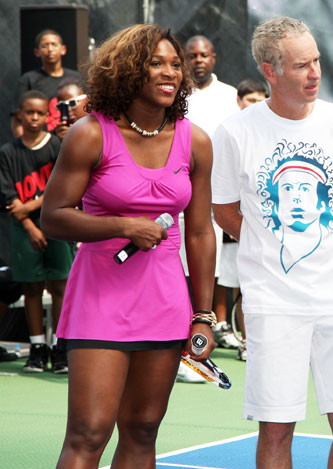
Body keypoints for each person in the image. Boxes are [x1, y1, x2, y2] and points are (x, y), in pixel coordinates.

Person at [39, 25, 216, 467]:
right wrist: (121, 224)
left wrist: (203, 316)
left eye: (175, 64)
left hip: (165, 302)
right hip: (100, 298)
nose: (170, 72)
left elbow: (198, 233)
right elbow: (54, 215)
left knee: (142, 431)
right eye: (156, 63)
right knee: (88, 433)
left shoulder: (195, 140)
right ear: (128, 70)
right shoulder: (90, 134)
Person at [211, 17, 333, 468]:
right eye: (302, 65)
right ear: (270, 71)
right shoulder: (235, 132)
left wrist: (320, 243)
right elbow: (223, 211)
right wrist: (272, 239)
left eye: (317, 60)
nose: (315, 73)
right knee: (277, 430)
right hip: (273, 304)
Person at [0, 90, 75, 374]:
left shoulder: (58, 147)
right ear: (19, 114)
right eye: (28, 112)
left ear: (48, 115)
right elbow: (8, 196)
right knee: (31, 289)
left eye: (39, 113)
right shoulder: (8, 152)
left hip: (58, 224)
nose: (34, 118)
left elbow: (62, 187)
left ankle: (59, 348)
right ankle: (36, 349)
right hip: (23, 231)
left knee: (59, 287)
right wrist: (30, 226)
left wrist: (30, 206)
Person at [179, 34, 241, 360]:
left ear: (213, 58)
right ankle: (180, 326)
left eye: (204, 55)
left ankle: (210, 324)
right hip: (178, 187)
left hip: (217, 187)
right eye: (193, 55)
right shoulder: (174, 93)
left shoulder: (230, 95)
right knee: (178, 259)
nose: (198, 60)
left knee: (210, 256)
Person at [216, 78, 270, 362]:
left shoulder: (273, 133)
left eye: (262, 100)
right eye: (250, 100)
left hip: (269, 228)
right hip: (235, 226)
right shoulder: (230, 133)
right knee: (242, 286)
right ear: (239, 101)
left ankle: (267, 342)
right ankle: (248, 342)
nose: (256, 106)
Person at [17, 29, 81, 133]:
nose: (50, 49)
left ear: (63, 49)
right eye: (44, 46)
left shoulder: (77, 78)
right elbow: (17, 118)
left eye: (54, 45)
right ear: (37, 52)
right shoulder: (28, 79)